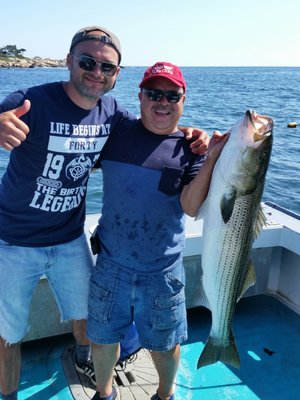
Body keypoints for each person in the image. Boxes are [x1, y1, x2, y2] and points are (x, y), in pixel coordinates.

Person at [0, 28, 209, 400]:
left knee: (90, 320)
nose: (96, 71)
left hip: (69, 238)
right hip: (13, 241)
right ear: (69, 61)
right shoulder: (31, 100)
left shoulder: (113, 115)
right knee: (8, 334)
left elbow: (158, 135)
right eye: (87, 62)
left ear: (117, 75)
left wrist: (198, 139)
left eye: (107, 66)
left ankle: (91, 365)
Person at [87, 62, 227, 400]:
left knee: (165, 346)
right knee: (103, 339)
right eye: (153, 93)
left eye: (171, 95)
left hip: (161, 273)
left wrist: (210, 160)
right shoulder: (117, 131)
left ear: (183, 99)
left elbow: (192, 207)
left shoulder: (192, 149)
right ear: (140, 96)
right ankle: (104, 394)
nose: (162, 102)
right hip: (110, 265)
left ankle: (165, 396)